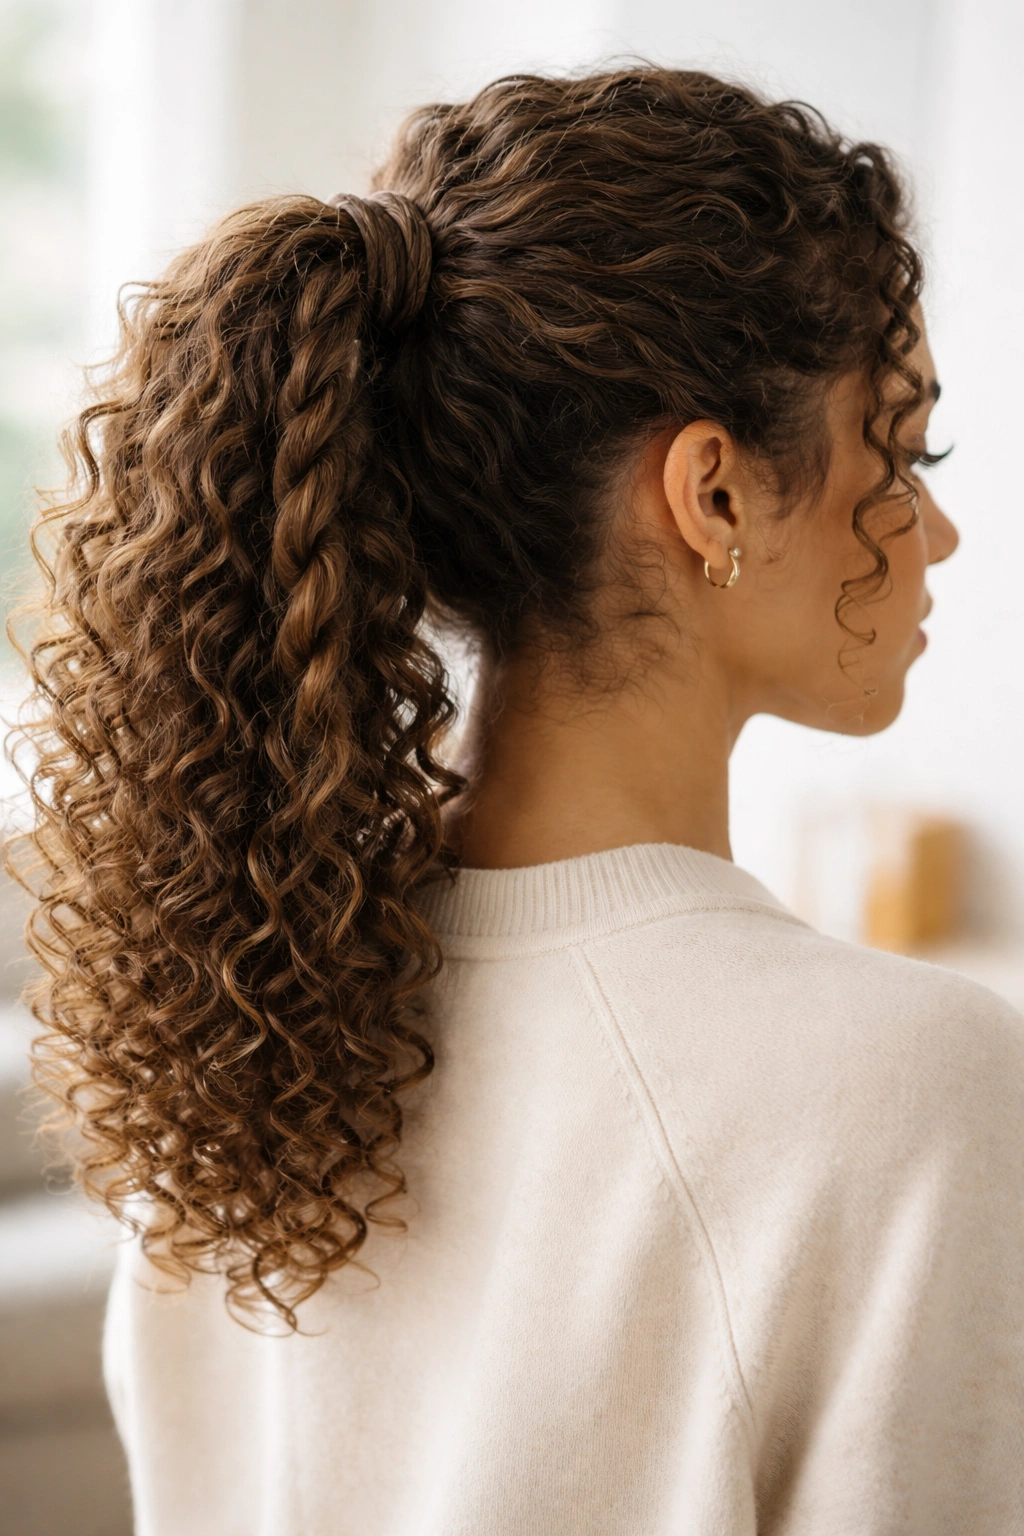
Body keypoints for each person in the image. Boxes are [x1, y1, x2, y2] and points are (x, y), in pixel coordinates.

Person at [12, 67, 1023, 1535]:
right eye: (900, 449)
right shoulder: (911, 1091)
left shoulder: (246, 1031)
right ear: (714, 495)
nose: (937, 528)